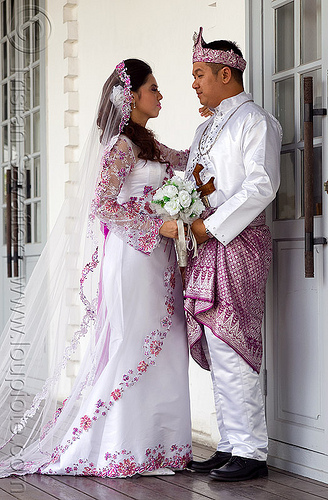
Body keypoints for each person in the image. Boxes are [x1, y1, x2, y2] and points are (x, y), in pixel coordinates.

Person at [0, 59, 192, 478]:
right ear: (132, 96)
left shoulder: (148, 144)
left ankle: (157, 448)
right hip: (132, 259)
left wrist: (217, 131)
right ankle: (120, 448)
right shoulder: (121, 147)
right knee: (132, 344)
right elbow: (103, 205)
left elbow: (189, 163)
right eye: (154, 88)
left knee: (167, 343)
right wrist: (160, 222)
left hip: (159, 260)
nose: (161, 95)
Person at [184, 28, 282, 482]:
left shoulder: (255, 121)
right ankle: (229, 444)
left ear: (226, 73)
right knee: (217, 343)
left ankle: (251, 452)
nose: (195, 83)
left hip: (238, 241)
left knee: (233, 344)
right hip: (207, 242)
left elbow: (260, 186)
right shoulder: (207, 124)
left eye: (200, 74)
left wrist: (208, 223)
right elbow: (198, 182)